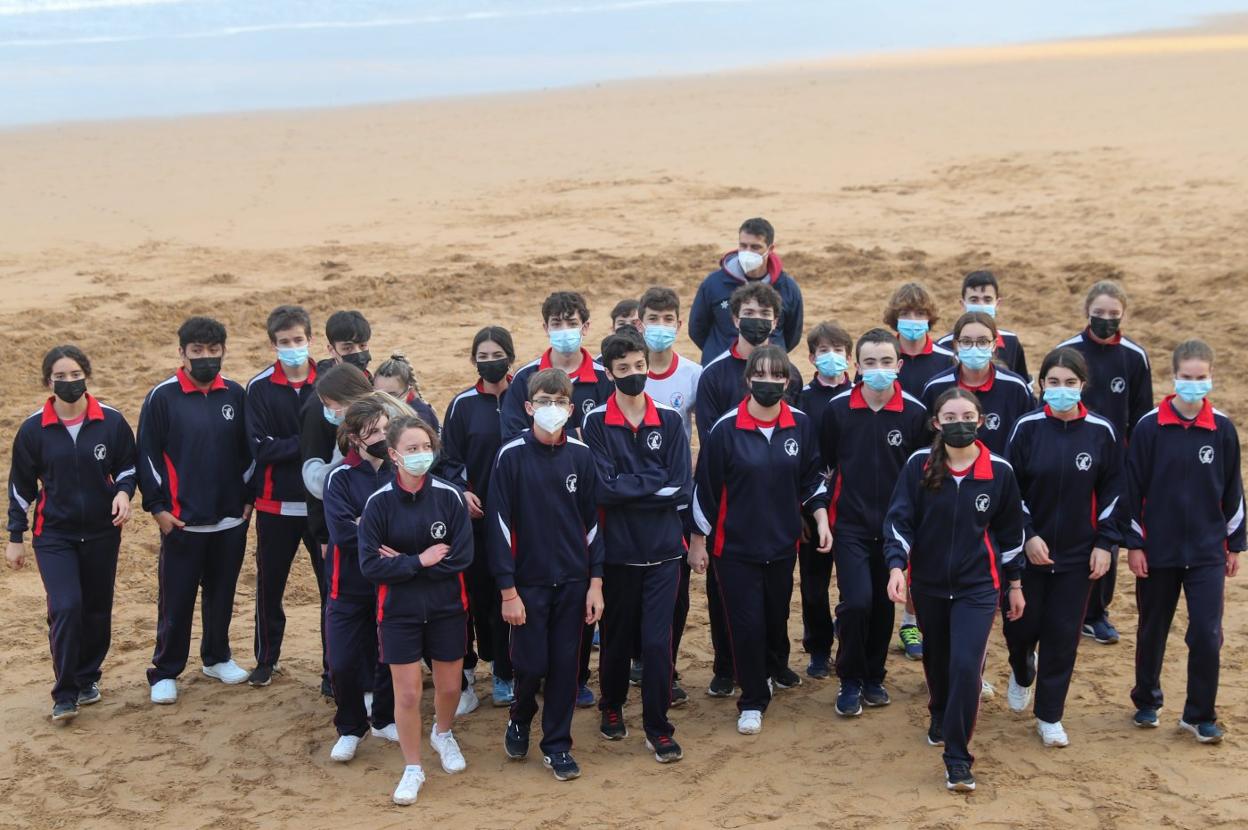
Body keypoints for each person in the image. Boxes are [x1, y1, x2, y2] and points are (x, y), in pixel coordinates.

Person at [884, 388, 1026, 792]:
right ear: (936, 423)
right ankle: (939, 710)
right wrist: (897, 567)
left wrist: (1014, 583)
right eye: (949, 416)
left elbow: (1011, 535)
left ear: (981, 422)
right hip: (928, 584)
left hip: (978, 587)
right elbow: (899, 521)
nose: (958, 422)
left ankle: (958, 758)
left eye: (967, 415)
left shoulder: (1000, 472)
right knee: (937, 656)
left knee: (967, 666)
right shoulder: (918, 465)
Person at [689, 345, 832, 736]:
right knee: (745, 622)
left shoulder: (801, 425)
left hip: (783, 545)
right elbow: (706, 491)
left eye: (777, 376)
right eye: (760, 375)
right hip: (733, 548)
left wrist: (819, 517)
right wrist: (699, 541)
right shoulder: (725, 428)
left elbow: (811, 478)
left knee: (775, 615)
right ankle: (752, 699)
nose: (768, 382)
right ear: (748, 379)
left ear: (787, 381)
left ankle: (770, 669)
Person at [6, 346, 137, 723]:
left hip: (102, 532)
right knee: (66, 606)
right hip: (54, 536)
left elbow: (127, 466)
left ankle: (87, 678)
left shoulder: (110, 422)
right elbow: (20, 487)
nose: (68, 382)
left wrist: (124, 494)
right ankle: (64, 694)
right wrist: (16, 536)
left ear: (87, 375)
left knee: (96, 610)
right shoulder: (34, 429)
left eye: (75, 374)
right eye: (60, 376)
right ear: (48, 381)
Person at [487, 368, 605, 782]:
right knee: (532, 663)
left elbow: (592, 524)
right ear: (528, 407)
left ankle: (557, 746)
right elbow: (498, 527)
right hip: (528, 584)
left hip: (573, 583)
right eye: (543, 402)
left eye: (559, 402)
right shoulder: (510, 456)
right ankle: (520, 716)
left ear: (571, 409)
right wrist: (508, 590)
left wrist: (595, 583)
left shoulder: (581, 455)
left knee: (565, 668)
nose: (550, 409)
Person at [1003, 348, 1123, 747]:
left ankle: (1050, 715)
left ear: (1083, 386)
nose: (1061, 390)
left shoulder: (1101, 432)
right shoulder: (1027, 428)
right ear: (1041, 385)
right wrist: (1029, 534)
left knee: (1062, 635)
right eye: (1053, 383)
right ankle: (1021, 671)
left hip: (1078, 555)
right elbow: (1009, 489)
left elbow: (1113, 493)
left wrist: (1105, 543)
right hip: (1029, 552)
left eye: (1070, 383)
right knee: (1021, 628)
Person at [1126, 340, 1244, 744]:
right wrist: (1135, 544)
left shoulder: (1223, 429)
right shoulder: (1149, 426)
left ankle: (1199, 714)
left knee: (1208, 634)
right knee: (1153, 627)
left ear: (1211, 377)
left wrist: (1235, 545)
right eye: (1187, 377)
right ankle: (1146, 699)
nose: (1194, 384)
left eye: (1202, 378)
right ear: (1174, 377)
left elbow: (1233, 493)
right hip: (1158, 550)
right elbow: (1131, 490)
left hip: (1209, 552)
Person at [583, 329, 691, 764]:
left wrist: (630, 486)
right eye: (623, 368)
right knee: (615, 637)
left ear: (649, 366)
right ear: (609, 373)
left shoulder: (668, 420)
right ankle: (611, 704)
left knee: (657, 643)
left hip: (665, 551)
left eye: (639, 366)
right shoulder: (594, 423)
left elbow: (681, 487)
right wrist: (651, 483)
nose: (633, 374)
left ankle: (658, 727)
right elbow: (602, 490)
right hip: (619, 554)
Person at [358, 414, 473, 805]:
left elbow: (462, 558)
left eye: (426, 447)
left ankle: (443, 733)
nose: (421, 454)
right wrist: (418, 561)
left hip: (447, 607)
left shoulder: (450, 496)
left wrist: (400, 564)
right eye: (412, 449)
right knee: (406, 696)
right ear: (393, 454)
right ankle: (412, 767)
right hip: (398, 613)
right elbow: (371, 566)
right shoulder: (378, 504)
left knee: (450, 686)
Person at [139, 316, 254, 704]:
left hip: (230, 518)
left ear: (223, 351)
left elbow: (249, 453)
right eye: (197, 351)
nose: (206, 357)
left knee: (222, 593)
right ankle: (166, 670)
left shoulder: (235, 395)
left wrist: (247, 501)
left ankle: (217, 656)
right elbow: (147, 457)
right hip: (181, 521)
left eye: (213, 350)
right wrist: (158, 508)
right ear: (183, 353)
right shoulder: (162, 397)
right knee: (177, 598)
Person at [694, 280, 801, 697]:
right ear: (734, 318)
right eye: (749, 314)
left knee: (777, 595)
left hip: (776, 500)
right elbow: (709, 437)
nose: (756, 321)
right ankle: (726, 666)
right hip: (728, 495)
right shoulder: (716, 373)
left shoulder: (787, 373)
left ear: (777, 322)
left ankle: (776, 661)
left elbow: (798, 441)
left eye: (765, 314)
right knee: (725, 594)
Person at [818, 329, 927, 714]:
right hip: (849, 524)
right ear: (856, 366)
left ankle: (874, 677)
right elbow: (826, 465)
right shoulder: (837, 410)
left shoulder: (915, 413)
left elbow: (921, 474)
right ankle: (848, 678)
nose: (878, 369)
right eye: (869, 363)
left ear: (898, 365)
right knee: (857, 602)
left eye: (885, 362)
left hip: (896, 530)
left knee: (884, 605)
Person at [1056, 280, 1152, 646]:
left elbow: (1143, 415)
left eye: (1114, 314)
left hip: (1114, 460)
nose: (1106, 320)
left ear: (1123, 314)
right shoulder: (1067, 351)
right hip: (1068, 453)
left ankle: (1096, 613)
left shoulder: (1134, 356)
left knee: (1107, 533)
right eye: (1099, 313)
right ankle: (1068, 605)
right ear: (1087, 312)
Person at [322, 393, 406, 762]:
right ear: (355, 438)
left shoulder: (400, 471)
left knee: (389, 657)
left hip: (389, 584)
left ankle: (384, 718)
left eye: (386, 429)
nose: (382, 437)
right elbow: (342, 534)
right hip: (347, 589)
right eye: (373, 432)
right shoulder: (338, 477)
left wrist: (366, 525)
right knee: (341, 662)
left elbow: (405, 527)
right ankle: (350, 726)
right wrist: (379, 530)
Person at [441, 326, 517, 708]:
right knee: (481, 597)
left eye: (496, 355)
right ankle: (476, 667)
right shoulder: (462, 405)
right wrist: (461, 491)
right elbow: (447, 461)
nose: (490, 362)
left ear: (510, 358)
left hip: (521, 519)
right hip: (478, 519)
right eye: (482, 357)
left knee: (515, 595)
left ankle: (507, 673)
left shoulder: (526, 398)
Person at [245, 305, 321, 687]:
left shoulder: (328, 380)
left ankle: (332, 667)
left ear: (310, 339)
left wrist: (289, 445)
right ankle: (266, 659)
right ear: (273, 344)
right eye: (284, 342)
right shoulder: (258, 388)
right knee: (269, 587)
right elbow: (261, 449)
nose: (292, 347)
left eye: (298, 340)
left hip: (323, 504)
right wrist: (310, 445)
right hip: (275, 505)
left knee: (332, 589)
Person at [636, 286, 703, 704]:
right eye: (652, 319)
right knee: (628, 589)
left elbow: (706, 438)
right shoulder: (622, 368)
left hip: (675, 499)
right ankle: (634, 660)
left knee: (674, 592)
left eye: (668, 320)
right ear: (638, 323)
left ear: (679, 325)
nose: (660, 327)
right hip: (629, 501)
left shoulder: (693, 375)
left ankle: (667, 666)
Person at [300, 363, 374, 697]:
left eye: (332, 406)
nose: (328, 413)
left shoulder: (375, 434)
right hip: (347, 540)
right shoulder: (347, 433)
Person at [795, 321, 854, 679]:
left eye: (838, 351)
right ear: (812, 357)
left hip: (853, 509)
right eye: (823, 351)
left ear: (849, 357)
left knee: (853, 589)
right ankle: (818, 648)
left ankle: (848, 648)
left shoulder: (862, 396)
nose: (831, 357)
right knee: (814, 588)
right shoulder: (801, 399)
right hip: (811, 506)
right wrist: (799, 510)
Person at [500, 291, 615, 442]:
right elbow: (512, 434)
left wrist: (547, 435)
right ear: (546, 328)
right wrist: (577, 434)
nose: (564, 330)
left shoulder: (605, 377)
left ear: (585, 327)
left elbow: (610, 434)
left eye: (572, 324)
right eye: (556, 324)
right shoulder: (525, 377)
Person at [689, 217, 804, 365]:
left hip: (769, 371)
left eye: (755, 247)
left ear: (770, 249)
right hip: (720, 370)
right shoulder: (714, 283)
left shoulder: (788, 287)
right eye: (743, 246)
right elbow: (697, 329)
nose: (747, 252)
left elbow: (792, 335)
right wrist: (717, 351)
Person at [921, 311, 1035, 456]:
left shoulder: (1015, 387)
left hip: (1001, 474)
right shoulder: (936, 387)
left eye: (982, 342)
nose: (974, 348)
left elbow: (1028, 438)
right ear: (956, 344)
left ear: (994, 344)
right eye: (967, 342)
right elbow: (925, 439)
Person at [936, 270, 1029, 379]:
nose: (981, 305)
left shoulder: (1011, 342)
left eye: (987, 299)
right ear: (963, 304)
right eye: (974, 300)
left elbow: (1021, 381)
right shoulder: (945, 345)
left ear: (997, 303)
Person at [884, 282, 956, 399]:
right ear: (895, 318)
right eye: (905, 313)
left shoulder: (948, 359)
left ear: (929, 317)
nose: (912, 319)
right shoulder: (880, 357)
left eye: (920, 313)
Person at [374, 353, 441, 433]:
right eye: (379, 394)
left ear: (409, 390)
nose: (385, 399)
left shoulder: (420, 416)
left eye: (392, 395)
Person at [316, 310, 373, 375]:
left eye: (362, 345)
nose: (357, 352)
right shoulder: (318, 381)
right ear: (331, 350)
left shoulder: (369, 378)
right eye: (347, 348)